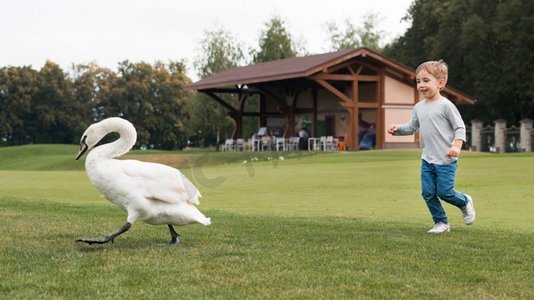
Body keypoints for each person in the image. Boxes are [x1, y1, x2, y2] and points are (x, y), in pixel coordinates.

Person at [387, 60, 475, 233]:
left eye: (426, 80)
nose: (421, 85)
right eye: (418, 81)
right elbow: (412, 127)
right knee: (428, 193)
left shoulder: (447, 106)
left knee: (444, 192)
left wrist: (457, 146)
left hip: (446, 159)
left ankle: (464, 201)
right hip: (427, 159)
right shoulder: (419, 108)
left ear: (440, 83)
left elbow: (460, 127)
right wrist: (397, 129)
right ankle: (441, 222)